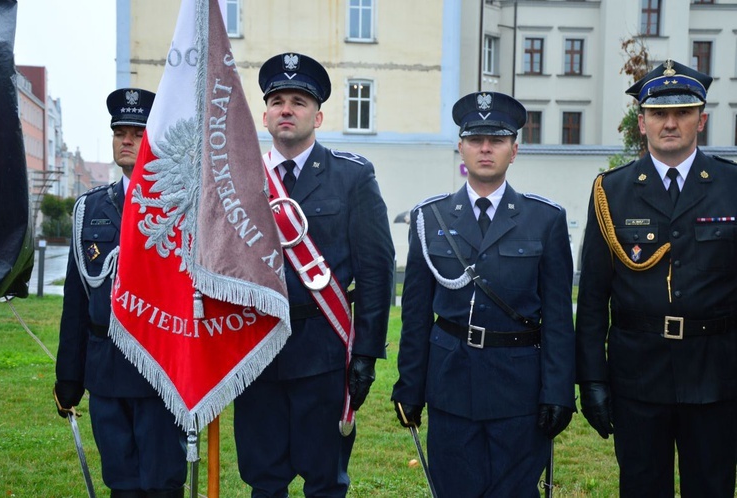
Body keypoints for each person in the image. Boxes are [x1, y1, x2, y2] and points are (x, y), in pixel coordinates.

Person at [391, 91, 576, 496]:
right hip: (450, 385)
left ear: (515, 150)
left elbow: (560, 318)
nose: (485, 148)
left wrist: (559, 392)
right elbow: (416, 314)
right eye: (476, 140)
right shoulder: (429, 218)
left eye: (497, 140)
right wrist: (409, 385)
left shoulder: (545, 220)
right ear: (461, 147)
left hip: (519, 389)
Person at [232, 53, 395, 497]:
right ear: (264, 114)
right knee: (264, 480)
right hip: (255, 350)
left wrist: (365, 353)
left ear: (318, 115)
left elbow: (377, 272)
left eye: (299, 101)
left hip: (324, 353)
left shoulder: (351, 177)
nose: (287, 109)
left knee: (325, 482)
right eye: (278, 100)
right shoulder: (238, 180)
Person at [576, 59, 737, 497]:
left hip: (717, 375)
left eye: (683, 113)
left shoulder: (731, 185)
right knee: (642, 487)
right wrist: (591, 380)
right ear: (641, 122)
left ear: (701, 120)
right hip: (637, 377)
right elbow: (592, 298)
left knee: (713, 486)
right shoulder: (611, 191)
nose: (671, 123)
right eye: (659, 114)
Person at [53, 88, 187, 498]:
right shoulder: (89, 209)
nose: (126, 140)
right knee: (121, 483)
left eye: (136, 132)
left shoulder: (178, 206)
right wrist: (69, 376)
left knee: (162, 482)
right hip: (106, 368)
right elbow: (76, 301)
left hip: (158, 370)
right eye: (119, 133)